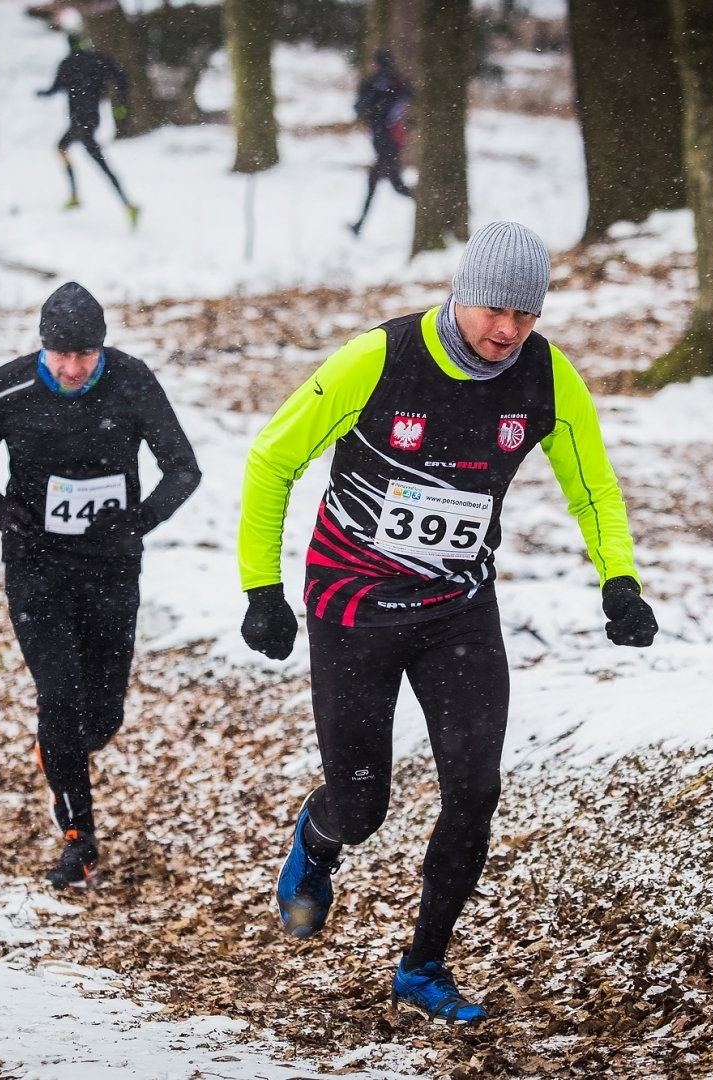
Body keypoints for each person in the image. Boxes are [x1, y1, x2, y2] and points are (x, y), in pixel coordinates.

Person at [237, 221, 657, 1026]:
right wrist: (262, 589)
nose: (507, 331)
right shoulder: (379, 359)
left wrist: (620, 582)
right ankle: (321, 841)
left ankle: (423, 965)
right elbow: (272, 458)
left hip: (457, 612)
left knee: (475, 791)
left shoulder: (545, 379)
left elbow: (594, 488)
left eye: (526, 316)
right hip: (353, 609)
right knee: (364, 807)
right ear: (460, 292)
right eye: (495, 309)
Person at [0, 282, 199, 888]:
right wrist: (1, 511)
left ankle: (62, 750)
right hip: (36, 565)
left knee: (102, 715)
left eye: (84, 355)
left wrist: (139, 519)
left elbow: (182, 468)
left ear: (101, 349)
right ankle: (78, 838)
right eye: (61, 355)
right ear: (42, 347)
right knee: (57, 695)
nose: (71, 367)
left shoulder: (132, 382)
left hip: (112, 565)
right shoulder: (10, 387)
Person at [38, 34, 139, 227]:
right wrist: (120, 101)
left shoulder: (67, 63)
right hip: (91, 119)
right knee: (64, 148)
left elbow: (55, 88)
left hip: (79, 121)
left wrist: (42, 93)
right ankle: (78, 196)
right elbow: (120, 75)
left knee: (96, 161)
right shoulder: (97, 59)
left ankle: (127, 204)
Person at [349, 48, 413, 237]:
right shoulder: (398, 82)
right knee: (395, 185)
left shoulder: (374, 82)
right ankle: (358, 225)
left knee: (391, 185)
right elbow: (411, 98)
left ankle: (433, 209)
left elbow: (358, 106)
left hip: (384, 141)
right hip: (393, 140)